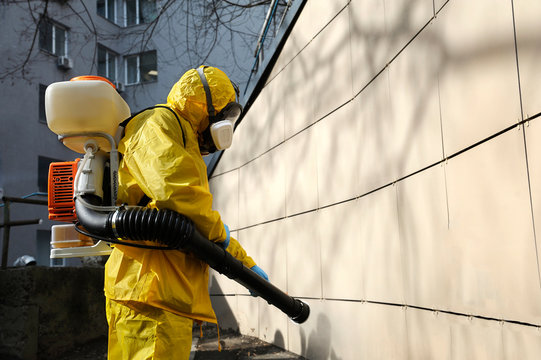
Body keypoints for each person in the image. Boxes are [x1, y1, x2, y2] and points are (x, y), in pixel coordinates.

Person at [104, 66, 268, 359]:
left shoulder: (182, 136)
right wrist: (236, 256)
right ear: (206, 106)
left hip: (157, 291)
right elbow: (181, 197)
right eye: (225, 114)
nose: (226, 125)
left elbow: (190, 208)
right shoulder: (158, 123)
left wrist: (244, 264)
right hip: (151, 289)